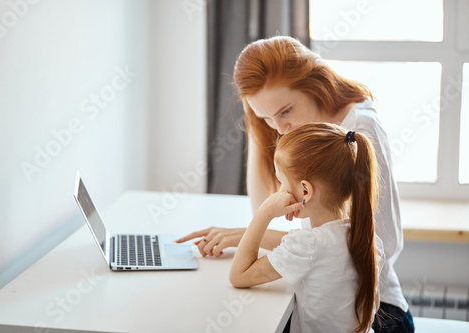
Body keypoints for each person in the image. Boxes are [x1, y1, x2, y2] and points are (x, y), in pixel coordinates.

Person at [176, 36, 414, 332]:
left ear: (315, 85)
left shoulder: (358, 130)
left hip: (381, 314)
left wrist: (251, 235)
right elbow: (269, 208)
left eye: (285, 111)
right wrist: (260, 125)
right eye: (266, 117)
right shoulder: (283, 128)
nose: (279, 127)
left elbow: (381, 242)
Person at [229, 123, 383, 333]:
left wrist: (264, 213)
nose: (280, 190)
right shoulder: (368, 239)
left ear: (305, 190)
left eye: (281, 181)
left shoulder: (308, 245)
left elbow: (239, 276)